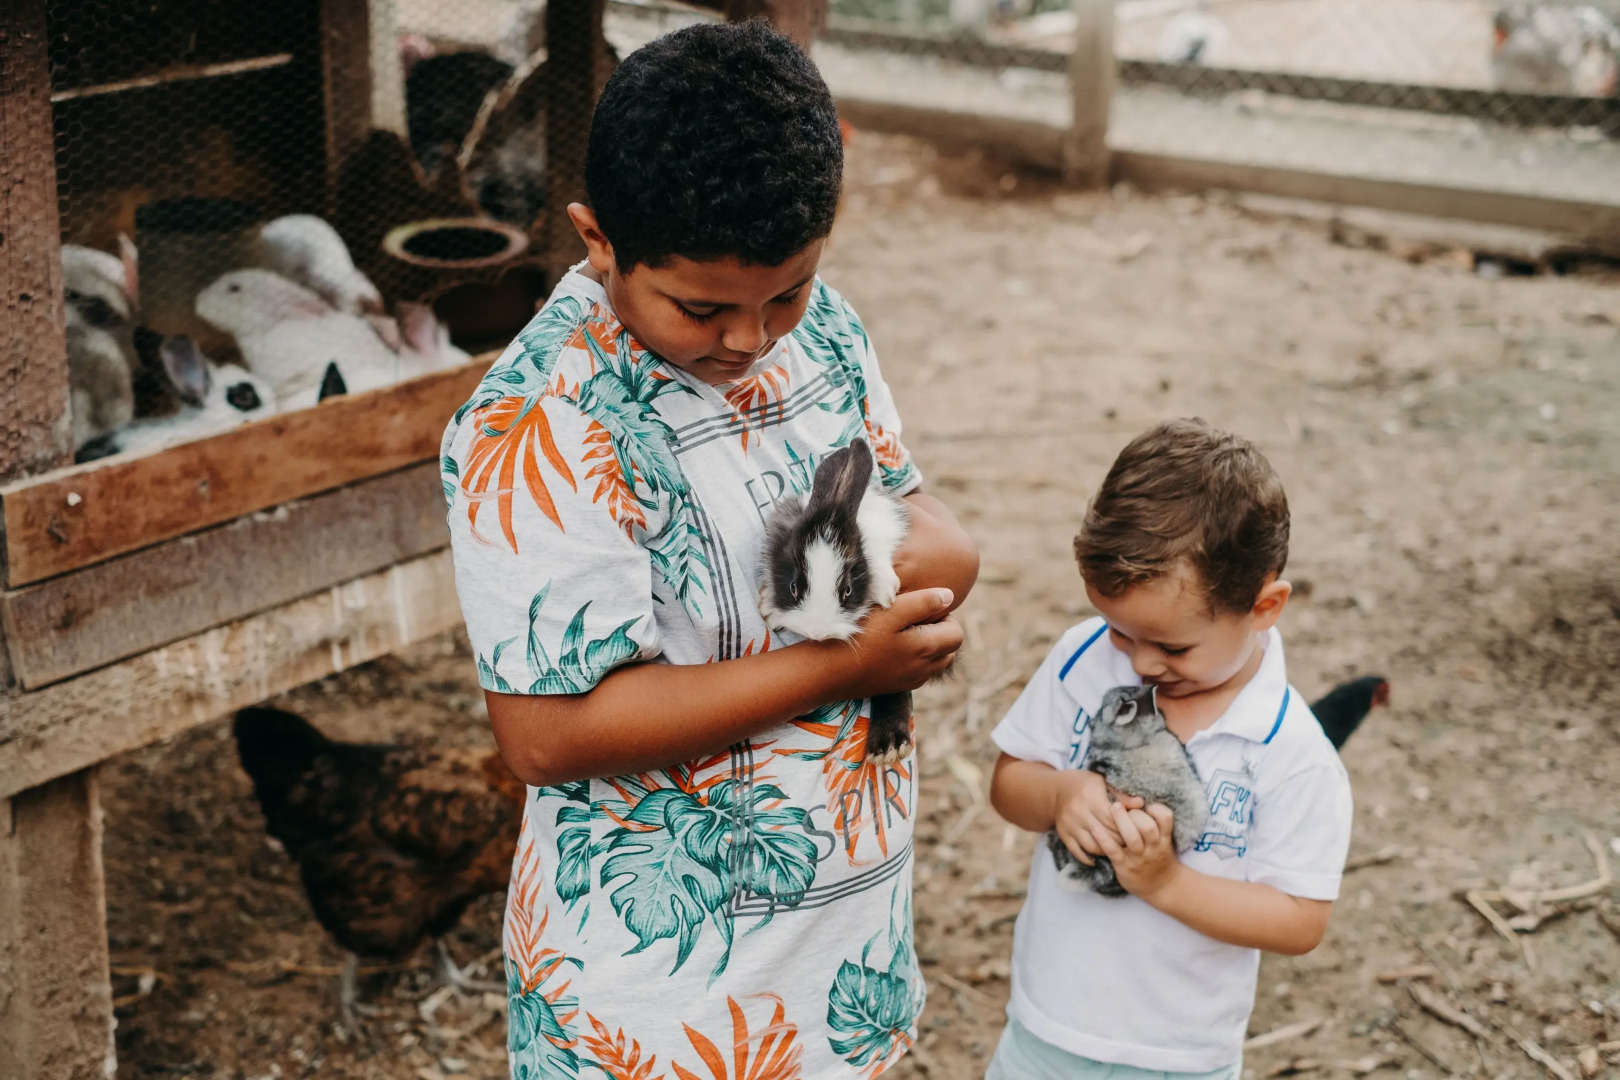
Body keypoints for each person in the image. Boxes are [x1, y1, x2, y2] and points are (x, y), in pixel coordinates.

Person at [439, 21, 979, 1079]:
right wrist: (844, 658)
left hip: (834, 955)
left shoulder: (819, 336)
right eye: (702, 307)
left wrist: (905, 566)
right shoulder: (549, 426)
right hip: (663, 1005)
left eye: (788, 287)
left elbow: (939, 535)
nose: (750, 339)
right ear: (600, 242)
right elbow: (548, 735)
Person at [986, 419, 1353, 1078]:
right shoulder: (1083, 661)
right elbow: (1010, 781)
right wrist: (1061, 794)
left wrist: (1166, 882)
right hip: (1045, 1027)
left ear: (1265, 606)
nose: (1140, 661)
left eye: (1173, 646)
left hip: (1177, 1057)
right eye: (1120, 631)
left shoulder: (1288, 749)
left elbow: (1300, 920)